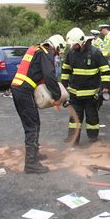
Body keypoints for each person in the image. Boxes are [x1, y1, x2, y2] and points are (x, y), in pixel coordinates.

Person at [11, 35, 66, 174]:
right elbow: (49, 76)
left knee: (35, 122)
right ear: (55, 46)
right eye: (57, 51)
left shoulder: (35, 49)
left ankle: (34, 154)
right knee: (32, 126)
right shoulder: (44, 53)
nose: (56, 54)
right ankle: (31, 164)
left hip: (19, 89)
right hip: (24, 91)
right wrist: (58, 96)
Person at [61, 27, 110, 144]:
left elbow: (105, 70)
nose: (73, 46)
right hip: (74, 94)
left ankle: (93, 139)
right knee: (74, 119)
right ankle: (73, 139)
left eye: (75, 44)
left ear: (82, 41)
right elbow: (65, 70)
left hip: (91, 95)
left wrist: (105, 87)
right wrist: (63, 87)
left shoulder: (95, 53)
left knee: (92, 119)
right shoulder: (71, 53)